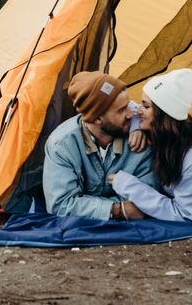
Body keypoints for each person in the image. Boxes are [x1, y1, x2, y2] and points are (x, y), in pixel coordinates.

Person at [43, 71, 157, 221]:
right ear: (97, 119)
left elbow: (147, 200)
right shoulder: (61, 145)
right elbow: (61, 204)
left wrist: (84, 205)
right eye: (122, 110)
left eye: (128, 105)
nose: (131, 114)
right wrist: (117, 210)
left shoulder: (140, 139)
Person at [110, 69, 192, 221]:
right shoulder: (166, 136)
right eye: (142, 103)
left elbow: (186, 214)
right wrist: (136, 128)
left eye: (146, 107)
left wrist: (130, 187)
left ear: (164, 115)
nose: (138, 111)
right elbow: (132, 108)